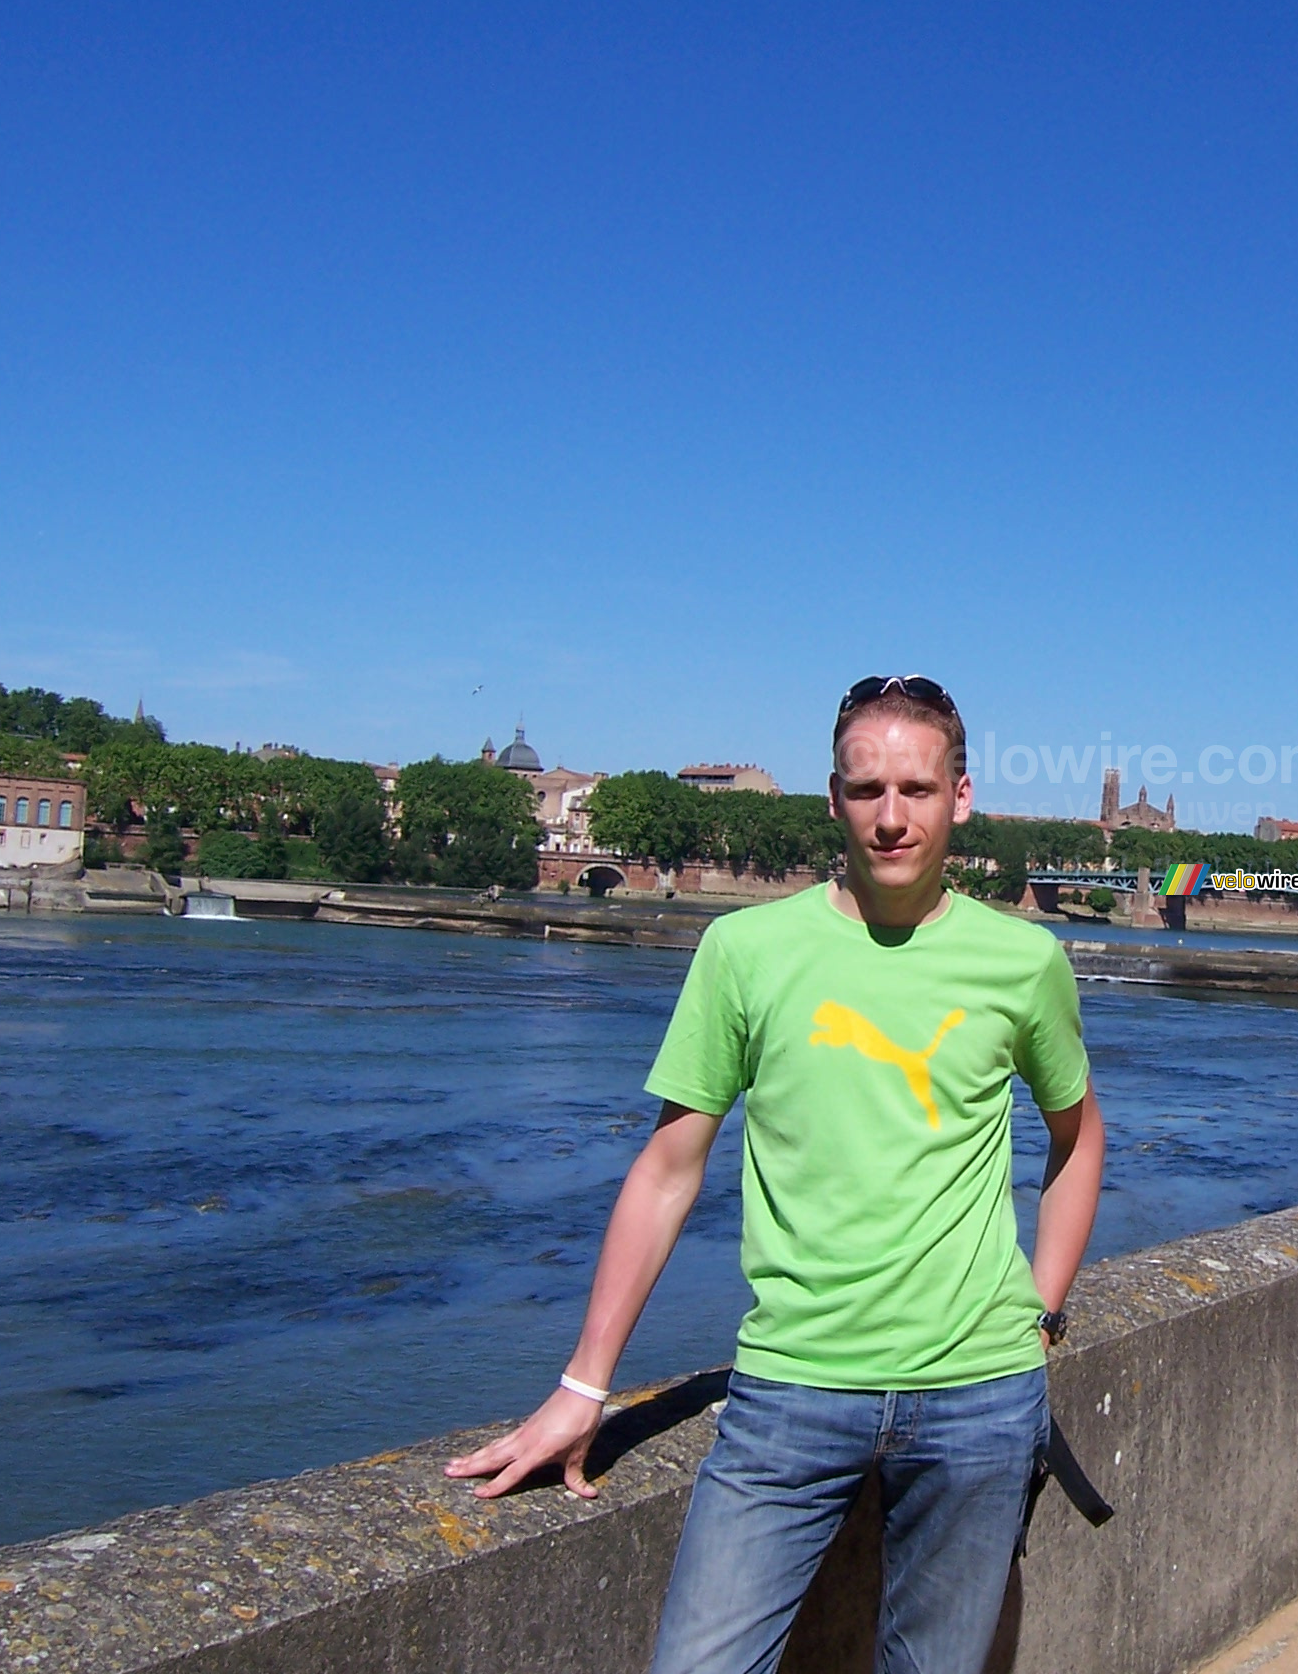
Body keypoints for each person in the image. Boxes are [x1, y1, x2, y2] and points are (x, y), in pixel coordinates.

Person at [447, 674, 1105, 1673]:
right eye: (867, 790)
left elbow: (1079, 1134)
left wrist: (1039, 1308)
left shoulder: (1023, 961)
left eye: (917, 791)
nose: (892, 819)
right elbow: (669, 1169)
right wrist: (585, 1383)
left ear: (960, 798)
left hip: (980, 1398)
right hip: (793, 1390)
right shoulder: (745, 951)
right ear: (833, 797)